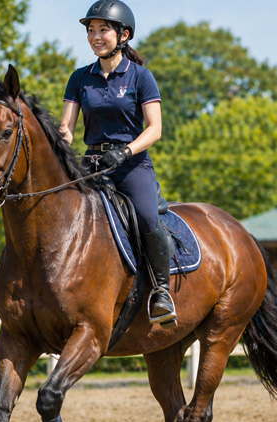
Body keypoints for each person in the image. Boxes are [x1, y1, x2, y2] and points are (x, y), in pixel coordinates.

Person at [60, 0, 177, 328]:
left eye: (103, 30)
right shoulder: (80, 78)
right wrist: (58, 148)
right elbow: (67, 128)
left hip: (131, 165)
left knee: (145, 216)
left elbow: (155, 129)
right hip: (91, 163)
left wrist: (125, 152)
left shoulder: (141, 76)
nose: (96, 37)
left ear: (123, 35)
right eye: (91, 31)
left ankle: (161, 291)